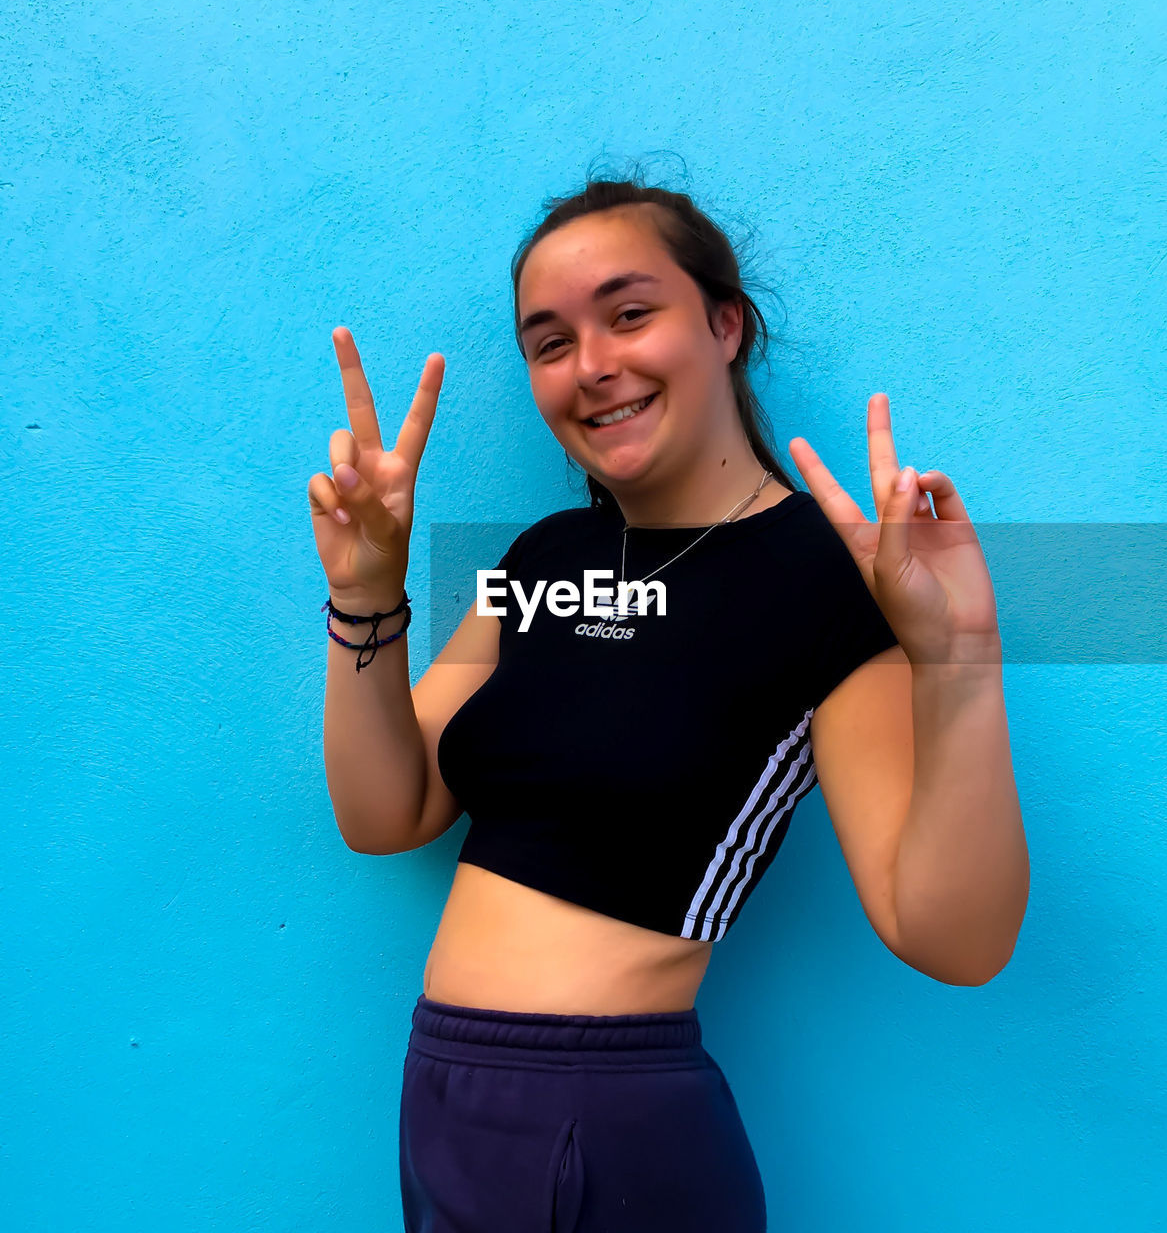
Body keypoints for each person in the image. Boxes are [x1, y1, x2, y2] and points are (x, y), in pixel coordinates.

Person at [308, 175, 1026, 1231]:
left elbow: (952, 939)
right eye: (549, 342)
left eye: (629, 313)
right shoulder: (541, 560)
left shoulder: (828, 579)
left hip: (609, 1120)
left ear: (723, 323)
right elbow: (385, 813)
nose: (591, 365)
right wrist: (366, 593)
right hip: (446, 1093)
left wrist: (959, 657)